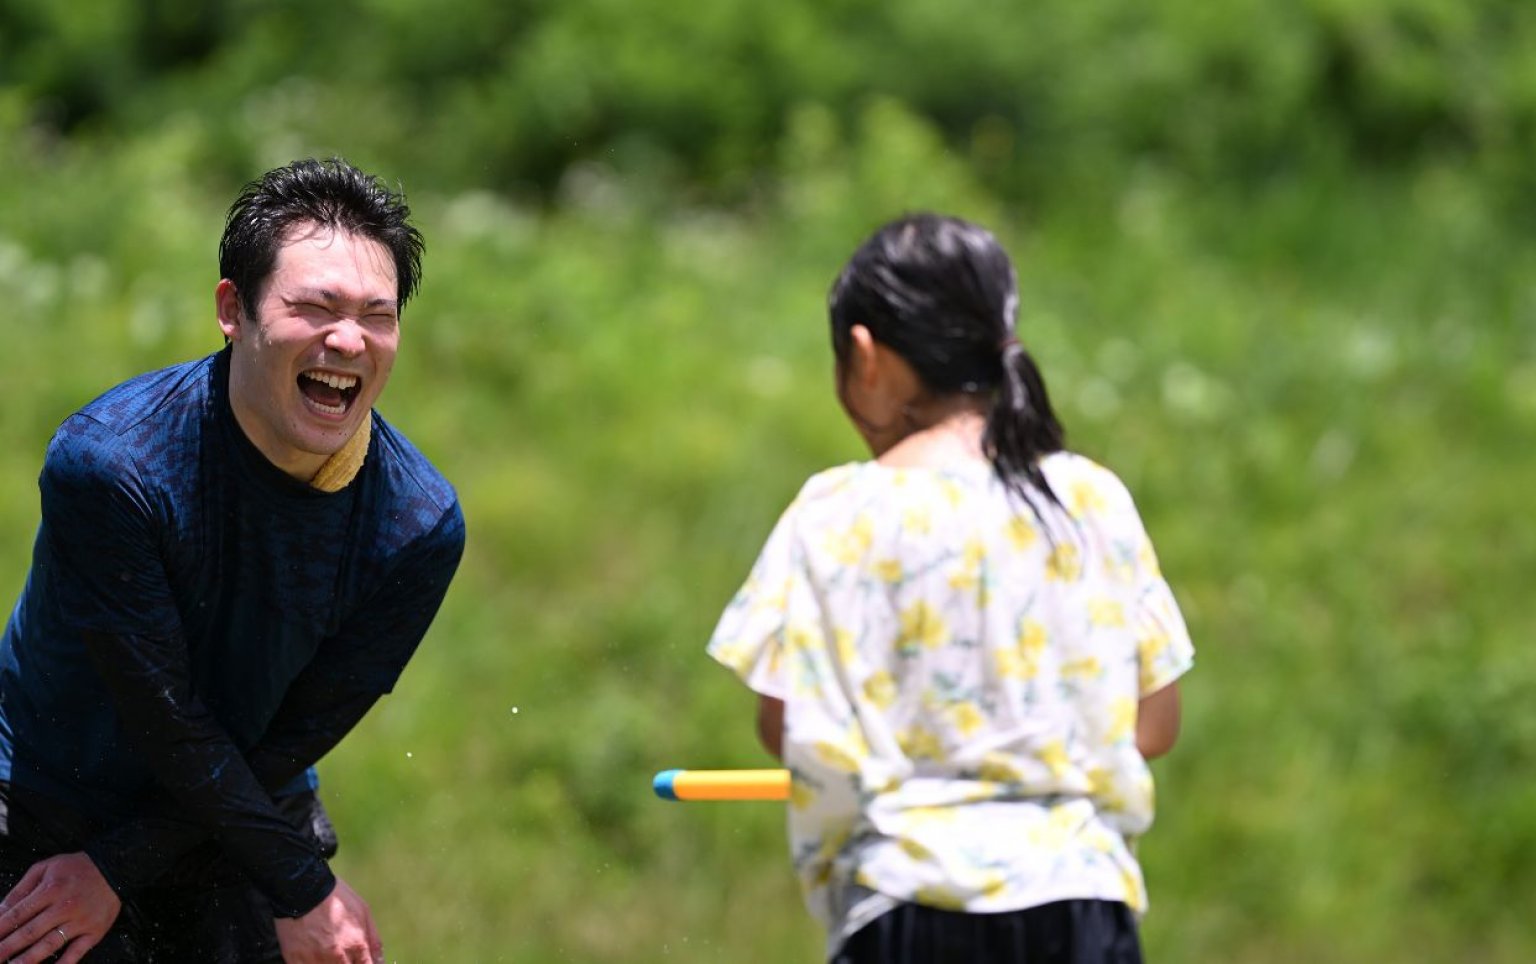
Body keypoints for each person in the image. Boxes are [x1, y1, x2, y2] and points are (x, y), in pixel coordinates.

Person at [0, 157, 466, 963]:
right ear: (233, 309)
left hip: (245, 795)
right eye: (314, 306)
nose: (348, 340)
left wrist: (282, 882)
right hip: (51, 794)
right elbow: (166, 718)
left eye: (377, 316)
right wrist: (302, 885)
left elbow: (293, 738)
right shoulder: (114, 467)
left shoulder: (417, 526)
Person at [706, 214, 1194, 963]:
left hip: (906, 902)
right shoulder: (1091, 499)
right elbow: (1153, 725)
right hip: (1080, 902)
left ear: (864, 358)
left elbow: (784, 725)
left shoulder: (835, 513)